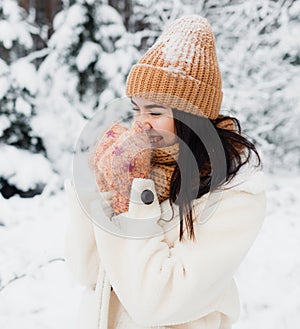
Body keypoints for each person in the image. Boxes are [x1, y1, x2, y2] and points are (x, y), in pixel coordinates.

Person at [64, 15, 266, 329]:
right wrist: (100, 184)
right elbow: (86, 270)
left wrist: (132, 197)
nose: (141, 123)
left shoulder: (234, 195)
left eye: (155, 111)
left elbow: (157, 302)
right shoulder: (135, 170)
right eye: (137, 109)